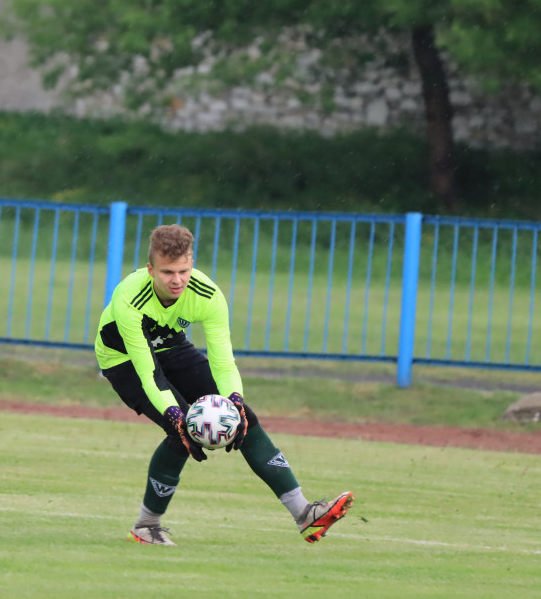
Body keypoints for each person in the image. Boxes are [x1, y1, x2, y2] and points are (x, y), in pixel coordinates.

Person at [94, 223, 353, 545]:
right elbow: (149, 374)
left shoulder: (208, 294)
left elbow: (223, 360)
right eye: (167, 272)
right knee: (184, 430)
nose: (177, 280)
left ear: (192, 263)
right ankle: (146, 525)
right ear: (151, 269)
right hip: (123, 359)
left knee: (244, 418)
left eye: (184, 270)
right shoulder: (130, 297)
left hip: (171, 345)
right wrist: (176, 415)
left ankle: (305, 514)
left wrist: (236, 400)